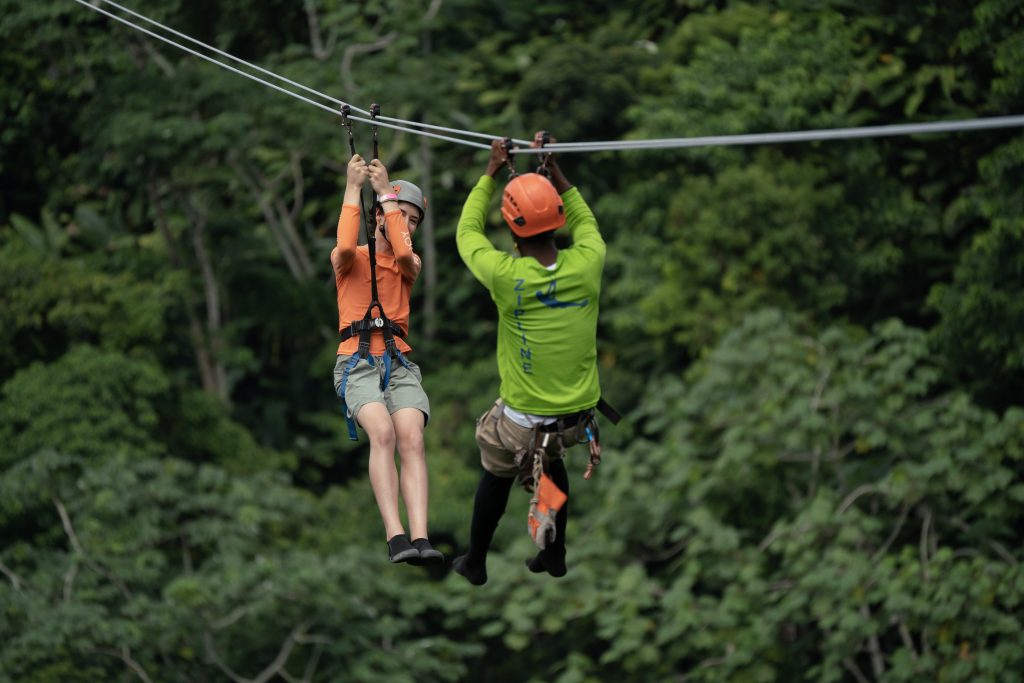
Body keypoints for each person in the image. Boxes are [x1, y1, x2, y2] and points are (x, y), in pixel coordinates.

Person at [452, 133, 606, 585]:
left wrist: (489, 173)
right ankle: (553, 553)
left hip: (525, 420)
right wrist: (558, 176)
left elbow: (467, 233)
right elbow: (587, 222)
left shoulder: (505, 276)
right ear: (557, 221)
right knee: (550, 455)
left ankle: (475, 559)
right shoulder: (589, 261)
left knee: (497, 467)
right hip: (578, 418)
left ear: (513, 230)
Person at [331, 153, 443, 565]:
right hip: (357, 362)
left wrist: (387, 197)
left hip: (398, 362)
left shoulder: (408, 263)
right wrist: (354, 188)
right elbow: (344, 244)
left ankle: (421, 535)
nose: (407, 225)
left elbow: (401, 254)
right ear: (376, 217)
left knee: (412, 436)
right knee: (383, 433)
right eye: (401, 217)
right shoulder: (350, 260)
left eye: (413, 220)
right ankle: (395, 536)